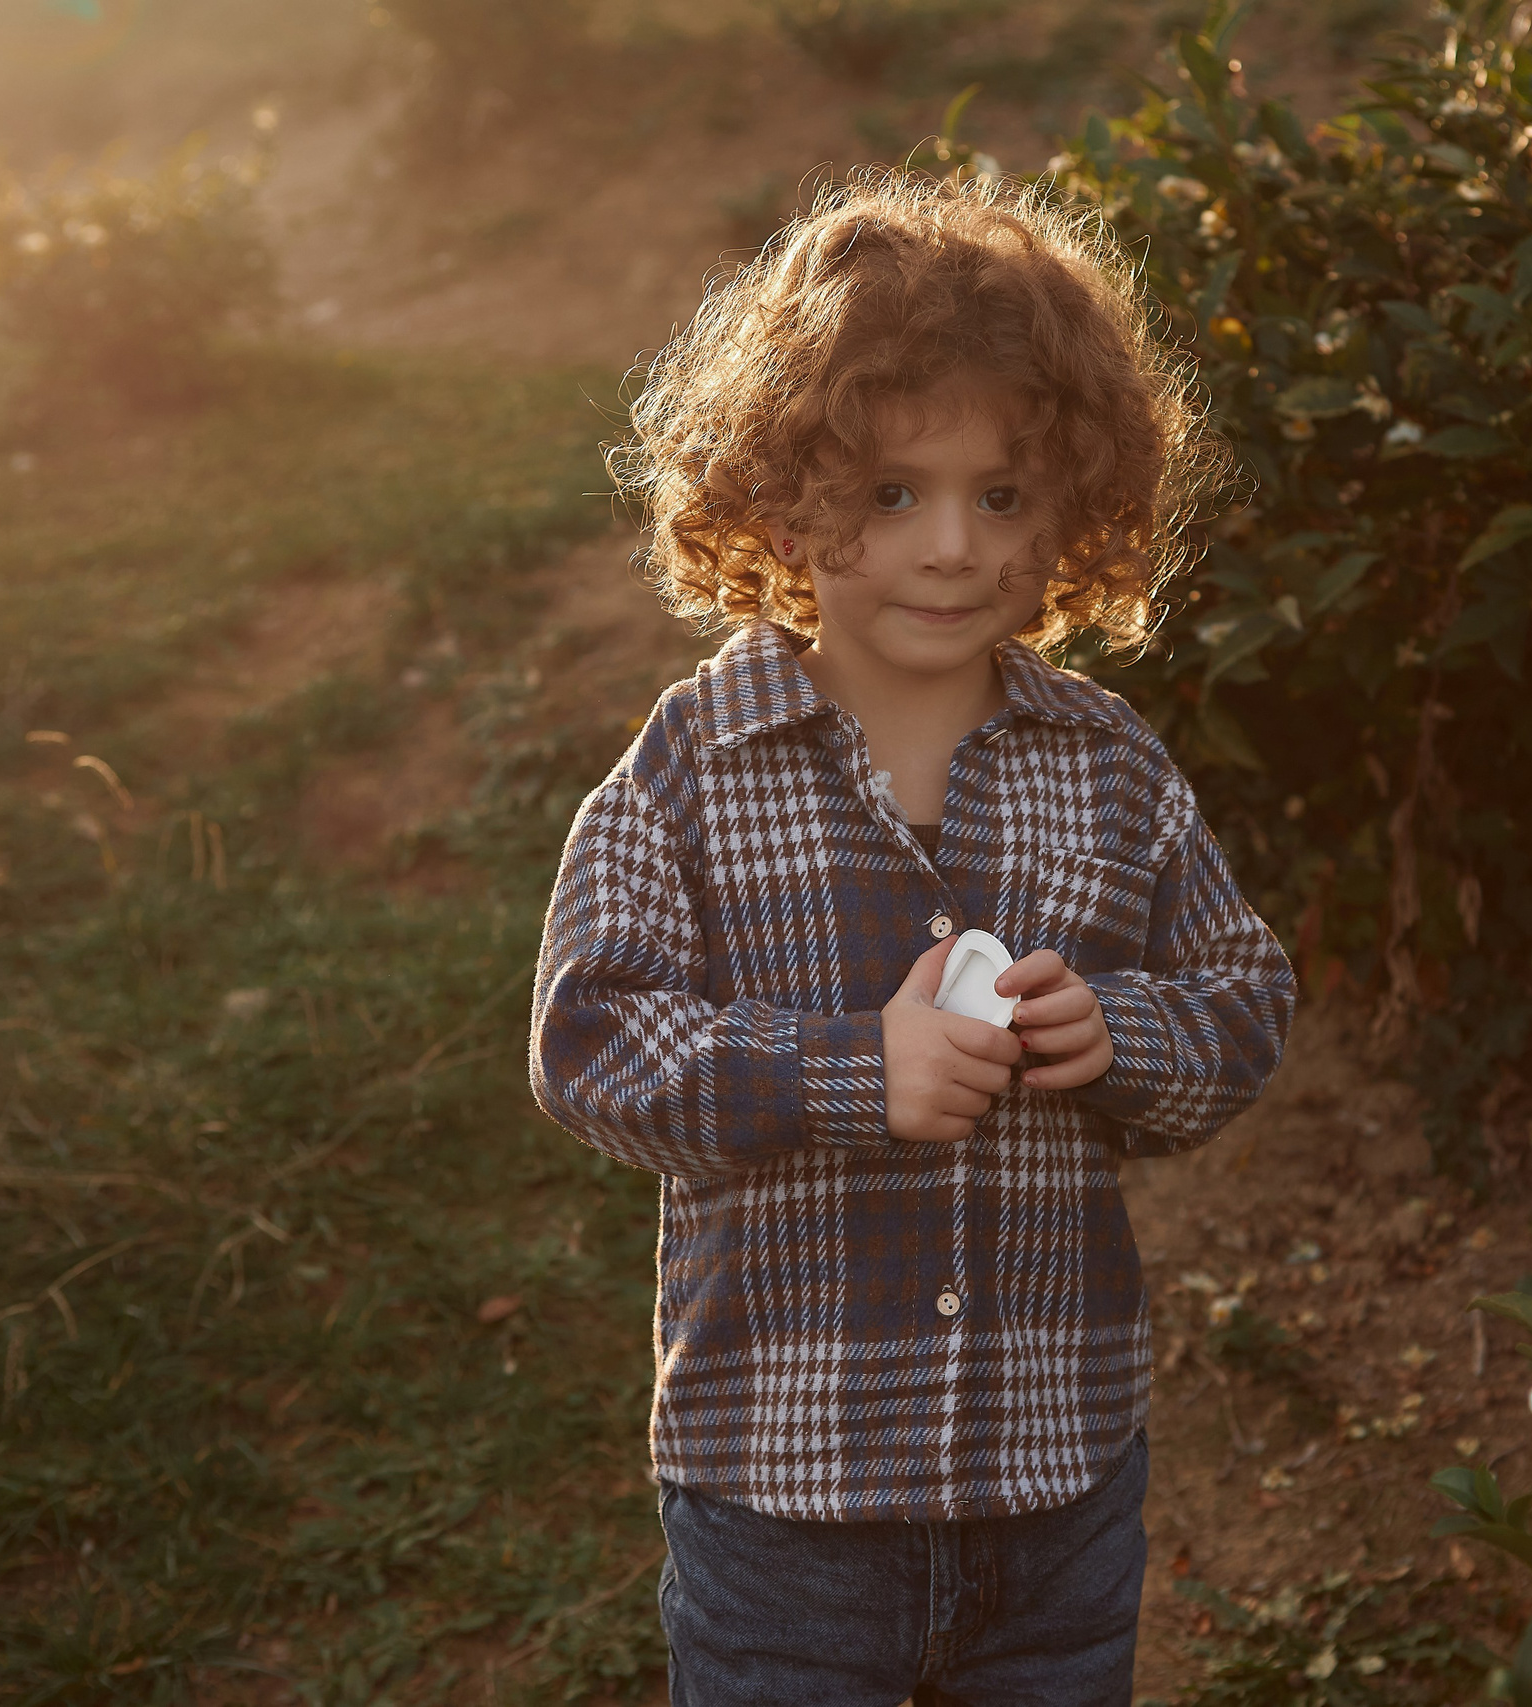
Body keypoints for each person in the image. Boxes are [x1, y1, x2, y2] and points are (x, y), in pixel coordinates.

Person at [529, 168, 1294, 1706]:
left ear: (1075, 500)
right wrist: (842, 1071)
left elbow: (1244, 996)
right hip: (784, 1504)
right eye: (892, 493)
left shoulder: (1108, 763)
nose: (953, 546)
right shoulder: (696, 763)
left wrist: (1120, 1038)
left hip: (1056, 1486)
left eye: (1002, 495)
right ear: (782, 490)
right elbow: (592, 1039)